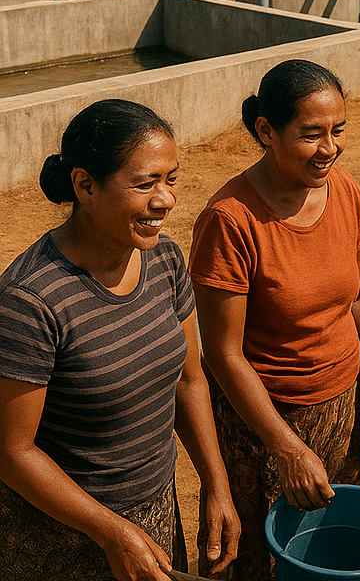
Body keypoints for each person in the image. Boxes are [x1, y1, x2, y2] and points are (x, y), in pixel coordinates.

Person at [0, 99, 239, 581]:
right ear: (85, 185)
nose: (166, 199)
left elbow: (190, 379)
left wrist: (217, 482)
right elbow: (12, 452)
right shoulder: (30, 300)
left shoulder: (164, 260)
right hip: (62, 536)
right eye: (146, 182)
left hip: (154, 512)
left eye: (171, 179)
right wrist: (111, 531)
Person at [189, 59, 360, 581]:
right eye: (311, 135)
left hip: (340, 404)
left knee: (329, 545)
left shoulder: (345, 189)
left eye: (338, 131)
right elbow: (223, 353)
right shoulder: (231, 220)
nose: (329, 148)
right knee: (263, 558)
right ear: (267, 131)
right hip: (261, 423)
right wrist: (286, 447)